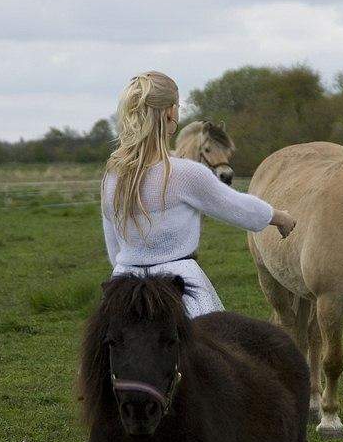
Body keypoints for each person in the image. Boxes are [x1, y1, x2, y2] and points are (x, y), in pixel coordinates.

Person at [101, 71, 296, 318]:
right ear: (171, 112)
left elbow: (113, 245)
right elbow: (237, 206)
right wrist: (279, 217)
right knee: (215, 350)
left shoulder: (114, 175)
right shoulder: (185, 174)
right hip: (178, 286)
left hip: (125, 287)